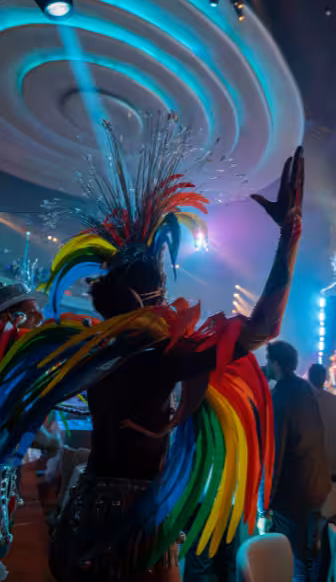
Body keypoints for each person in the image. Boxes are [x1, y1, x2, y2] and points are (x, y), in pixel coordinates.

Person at [0, 117, 305, 582]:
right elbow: (264, 326)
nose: (171, 307)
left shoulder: (85, 352)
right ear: (149, 302)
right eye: (162, 296)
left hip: (87, 511)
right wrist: (289, 236)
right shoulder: (157, 360)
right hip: (136, 525)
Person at [267, 342, 331, 582]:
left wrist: (268, 496)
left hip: (294, 491)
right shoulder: (305, 388)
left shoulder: (280, 396)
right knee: (308, 552)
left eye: (269, 361)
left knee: (291, 557)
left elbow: (277, 449)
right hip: (316, 483)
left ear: (276, 363)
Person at [308, 364, 336, 481]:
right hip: (332, 464)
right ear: (325, 378)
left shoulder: (300, 401)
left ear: (309, 378)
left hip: (307, 466)